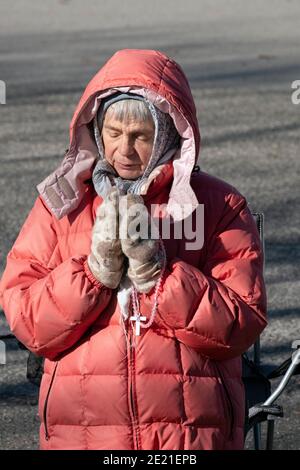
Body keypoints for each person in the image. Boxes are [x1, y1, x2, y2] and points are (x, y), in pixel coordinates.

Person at [0, 49, 267, 450]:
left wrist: (160, 275)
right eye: (113, 133)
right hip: (83, 431)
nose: (124, 149)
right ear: (96, 130)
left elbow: (241, 322)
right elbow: (27, 321)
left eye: (141, 136)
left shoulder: (218, 206)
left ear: (169, 134)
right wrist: (93, 274)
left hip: (189, 434)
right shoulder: (63, 203)